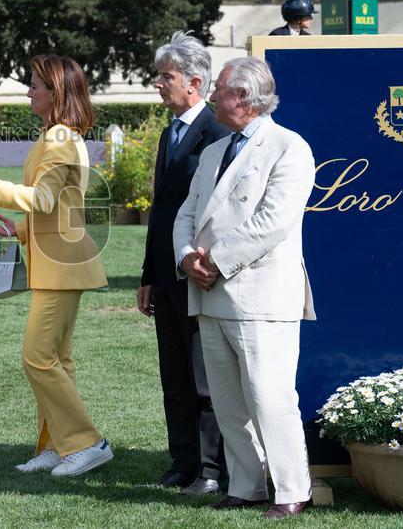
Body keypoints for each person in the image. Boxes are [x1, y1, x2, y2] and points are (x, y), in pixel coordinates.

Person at [172, 56, 315, 519]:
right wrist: (186, 258)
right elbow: (186, 215)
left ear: (245, 98)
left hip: (262, 297)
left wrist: (213, 260)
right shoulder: (215, 151)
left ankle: (294, 489)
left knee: (270, 398)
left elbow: (272, 222)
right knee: (229, 402)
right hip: (211, 295)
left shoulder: (289, 147)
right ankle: (248, 486)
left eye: (219, 89)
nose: (211, 95)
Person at [0, 55, 111, 477]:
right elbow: (57, 208)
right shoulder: (54, 135)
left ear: (56, 92)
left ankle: (86, 443)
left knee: (37, 356)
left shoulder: (60, 137)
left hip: (63, 266)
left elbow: (45, 199)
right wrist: (20, 232)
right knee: (56, 359)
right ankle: (57, 445)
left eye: (34, 85)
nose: (28, 91)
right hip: (56, 261)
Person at [137, 32, 229, 495]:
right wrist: (148, 275)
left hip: (200, 273)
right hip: (166, 275)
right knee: (173, 373)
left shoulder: (217, 133)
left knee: (203, 378)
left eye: (165, 76)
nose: (158, 83)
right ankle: (183, 461)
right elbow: (161, 211)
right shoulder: (167, 134)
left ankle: (212, 467)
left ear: (194, 82)